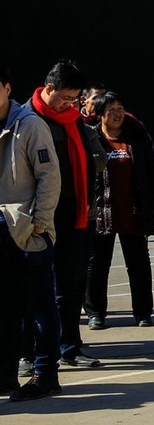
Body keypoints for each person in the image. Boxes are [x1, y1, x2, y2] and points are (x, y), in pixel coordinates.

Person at [28, 60, 107, 370]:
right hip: (36, 213)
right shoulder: (27, 118)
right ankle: (29, 351)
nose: (70, 104)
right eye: (65, 97)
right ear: (49, 89)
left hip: (74, 213)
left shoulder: (75, 122)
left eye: (74, 99)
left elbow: (94, 162)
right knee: (32, 284)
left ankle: (70, 347)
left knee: (71, 284)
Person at [0, 66, 63, 401]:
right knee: (5, 307)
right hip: (1, 230)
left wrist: (39, 223)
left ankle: (45, 374)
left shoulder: (29, 125)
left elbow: (49, 177)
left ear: (7, 88)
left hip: (28, 230)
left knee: (40, 306)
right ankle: (6, 375)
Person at [84, 92, 154, 329]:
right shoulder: (90, 137)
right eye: (111, 110)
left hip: (134, 213)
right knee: (97, 265)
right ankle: (95, 313)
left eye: (120, 108)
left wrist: (151, 203)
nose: (117, 114)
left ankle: (143, 313)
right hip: (101, 214)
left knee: (139, 264)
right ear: (100, 114)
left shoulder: (137, 137)